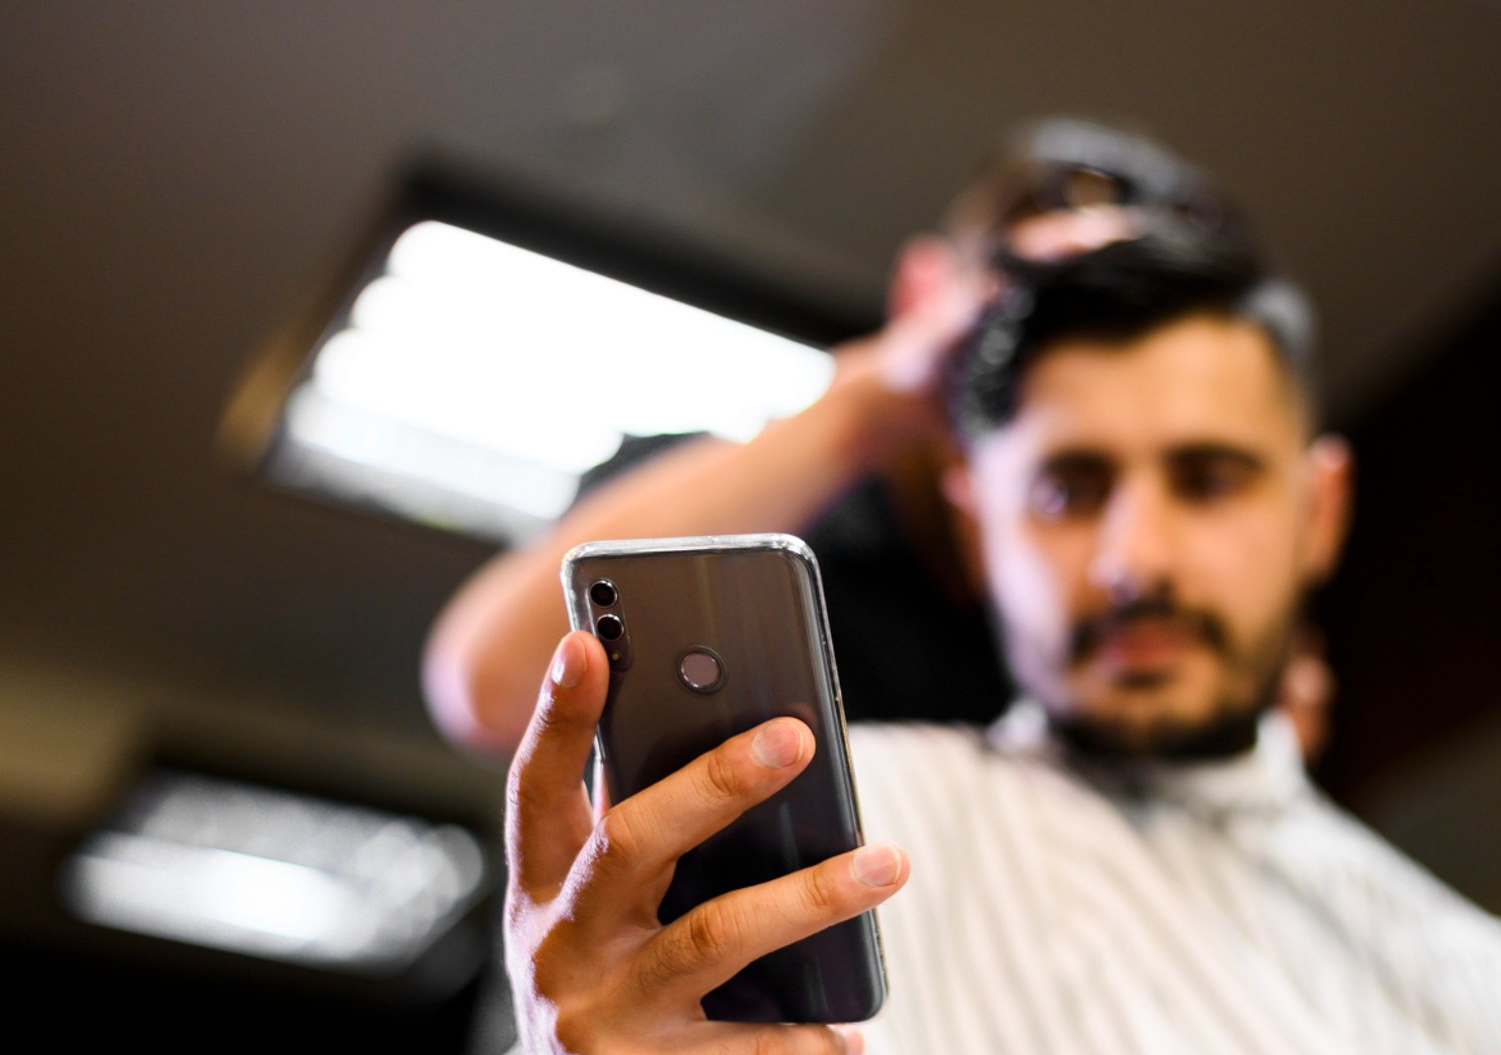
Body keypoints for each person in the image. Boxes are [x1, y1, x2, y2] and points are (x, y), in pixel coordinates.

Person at [348, 233, 1501, 1055]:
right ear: (978, 518)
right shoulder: (815, 837)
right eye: (1071, 490)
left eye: (1209, 479)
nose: (1138, 558)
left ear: (1319, 511)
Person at [419, 119, 1286, 754]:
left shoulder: (1103, 597)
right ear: (923, 292)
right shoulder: (729, 511)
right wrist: (875, 400)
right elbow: (491, 688)